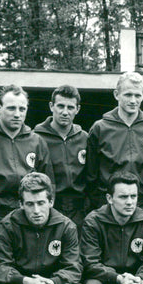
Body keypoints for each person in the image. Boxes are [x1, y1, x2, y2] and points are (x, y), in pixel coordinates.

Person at [0, 84, 54, 235]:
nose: (17, 114)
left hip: (27, 217)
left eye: (22, 109)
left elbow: (47, 183)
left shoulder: (37, 142)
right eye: (11, 108)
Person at [86, 72, 143, 219]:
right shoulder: (100, 128)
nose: (133, 100)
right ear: (116, 94)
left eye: (138, 95)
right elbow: (91, 173)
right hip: (110, 204)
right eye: (128, 95)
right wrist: (98, 200)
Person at [33, 85, 88, 229]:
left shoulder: (85, 138)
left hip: (80, 209)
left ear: (78, 109)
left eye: (70, 107)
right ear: (51, 106)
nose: (65, 112)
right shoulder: (36, 138)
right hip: (50, 208)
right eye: (60, 106)